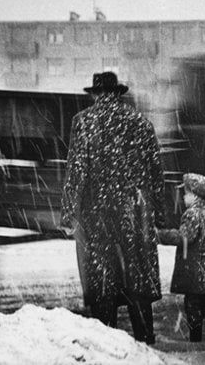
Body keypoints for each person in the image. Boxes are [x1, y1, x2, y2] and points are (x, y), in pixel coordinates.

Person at [60, 71, 166, 345]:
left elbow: (77, 170)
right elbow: (156, 172)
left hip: (97, 211)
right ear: (118, 94)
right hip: (135, 210)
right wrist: (159, 212)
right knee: (136, 273)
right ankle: (144, 335)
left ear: (95, 94)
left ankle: (104, 337)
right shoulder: (141, 123)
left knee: (102, 274)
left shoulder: (84, 121)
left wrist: (69, 213)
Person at [157, 173, 205, 342]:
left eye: (185, 193)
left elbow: (184, 238)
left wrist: (160, 235)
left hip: (196, 279)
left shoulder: (192, 214)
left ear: (195, 196)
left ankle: (196, 345)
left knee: (194, 313)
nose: (183, 197)